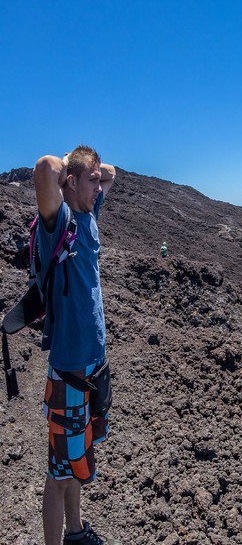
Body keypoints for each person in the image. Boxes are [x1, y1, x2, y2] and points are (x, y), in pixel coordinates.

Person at [33, 146, 115, 545]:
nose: (100, 187)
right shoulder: (59, 222)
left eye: (99, 182)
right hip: (68, 373)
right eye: (92, 181)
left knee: (77, 463)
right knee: (58, 473)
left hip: (92, 369)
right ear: (71, 183)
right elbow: (45, 169)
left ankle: (76, 531)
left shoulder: (88, 215)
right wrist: (69, 166)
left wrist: (89, 168)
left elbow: (111, 173)